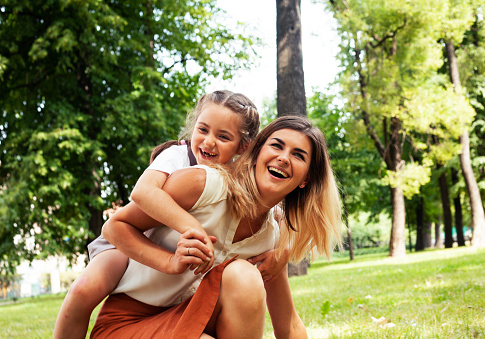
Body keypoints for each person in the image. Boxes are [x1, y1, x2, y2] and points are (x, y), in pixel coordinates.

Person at [54, 90, 281, 338]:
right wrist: (192, 227)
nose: (208, 142)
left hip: (168, 285)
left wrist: (283, 252)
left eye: (223, 136)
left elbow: (275, 213)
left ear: (244, 146)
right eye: (203, 130)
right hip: (125, 240)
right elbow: (142, 193)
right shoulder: (177, 155)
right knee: (84, 289)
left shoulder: (233, 183)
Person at [90, 116, 343, 338]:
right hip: (129, 324)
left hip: (191, 320)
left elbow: (288, 326)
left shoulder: (270, 238)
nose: (284, 158)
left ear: (306, 179)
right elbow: (115, 226)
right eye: (276, 146)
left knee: (244, 275)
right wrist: (170, 262)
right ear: (255, 154)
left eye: (298, 155)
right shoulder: (204, 184)